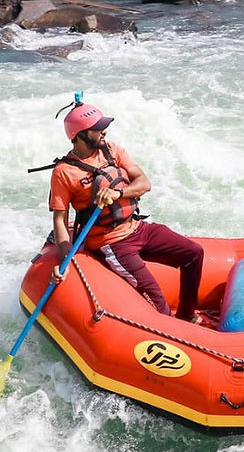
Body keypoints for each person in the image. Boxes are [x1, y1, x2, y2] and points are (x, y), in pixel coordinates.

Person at [46, 95, 204, 323]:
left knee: (193, 253)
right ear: (80, 135)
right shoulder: (64, 172)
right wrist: (64, 262)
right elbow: (60, 220)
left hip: (138, 228)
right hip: (111, 243)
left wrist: (118, 193)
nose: (104, 132)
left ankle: (187, 315)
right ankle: (173, 332)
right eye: (98, 129)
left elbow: (143, 182)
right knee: (157, 302)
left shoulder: (112, 150)